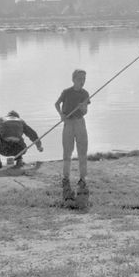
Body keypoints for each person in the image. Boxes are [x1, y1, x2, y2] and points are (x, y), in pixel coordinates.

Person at [54, 69, 91, 199]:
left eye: (84, 79)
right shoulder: (66, 92)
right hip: (68, 123)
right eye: (80, 79)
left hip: (80, 123)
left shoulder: (85, 93)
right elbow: (57, 104)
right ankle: (66, 178)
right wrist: (61, 115)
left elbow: (85, 111)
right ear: (73, 79)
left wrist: (83, 107)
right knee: (67, 152)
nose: (82, 81)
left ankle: (82, 179)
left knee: (82, 151)